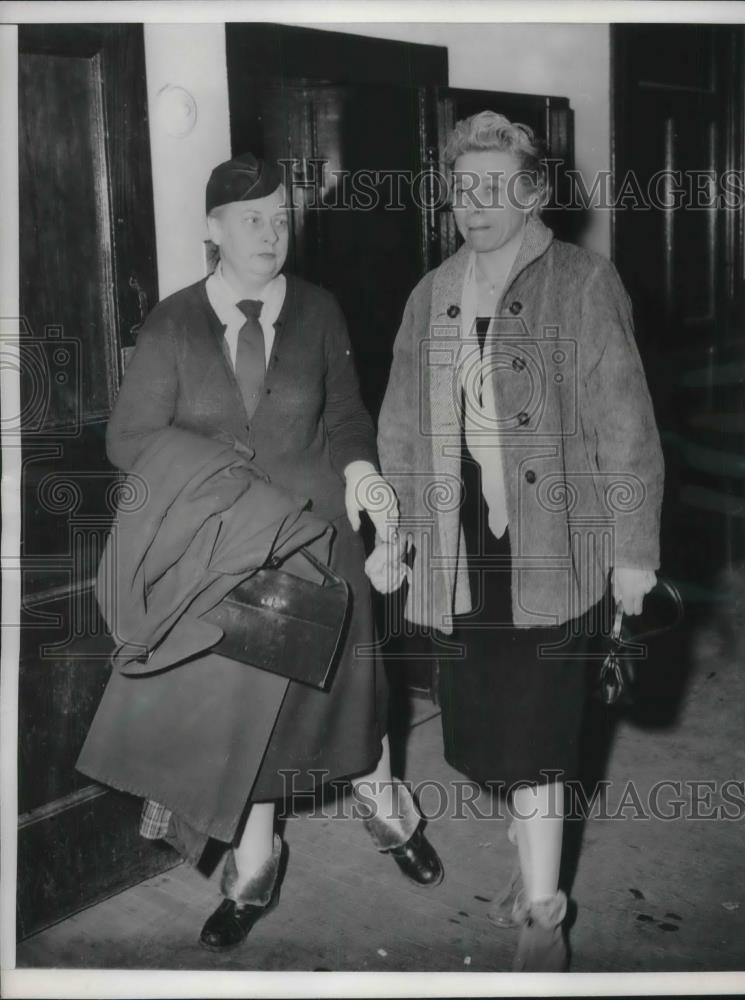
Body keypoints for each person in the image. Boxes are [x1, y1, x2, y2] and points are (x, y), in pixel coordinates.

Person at [92, 153, 443, 952]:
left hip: (319, 540)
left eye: (281, 217)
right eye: (251, 217)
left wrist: (363, 477)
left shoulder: (318, 310)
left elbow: (348, 417)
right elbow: (130, 438)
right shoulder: (174, 323)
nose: (270, 232)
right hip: (226, 550)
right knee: (250, 719)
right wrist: (228, 486)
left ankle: (390, 815)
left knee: (353, 702)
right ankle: (253, 867)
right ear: (213, 229)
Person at [367, 112, 664, 971]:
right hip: (464, 555)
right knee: (496, 737)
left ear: (534, 191)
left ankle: (544, 913)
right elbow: (397, 426)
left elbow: (627, 430)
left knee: (539, 738)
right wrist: (395, 524)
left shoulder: (581, 282)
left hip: (557, 547)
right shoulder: (433, 291)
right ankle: (528, 852)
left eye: (497, 188)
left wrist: (634, 551)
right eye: (464, 188)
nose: (477, 205)